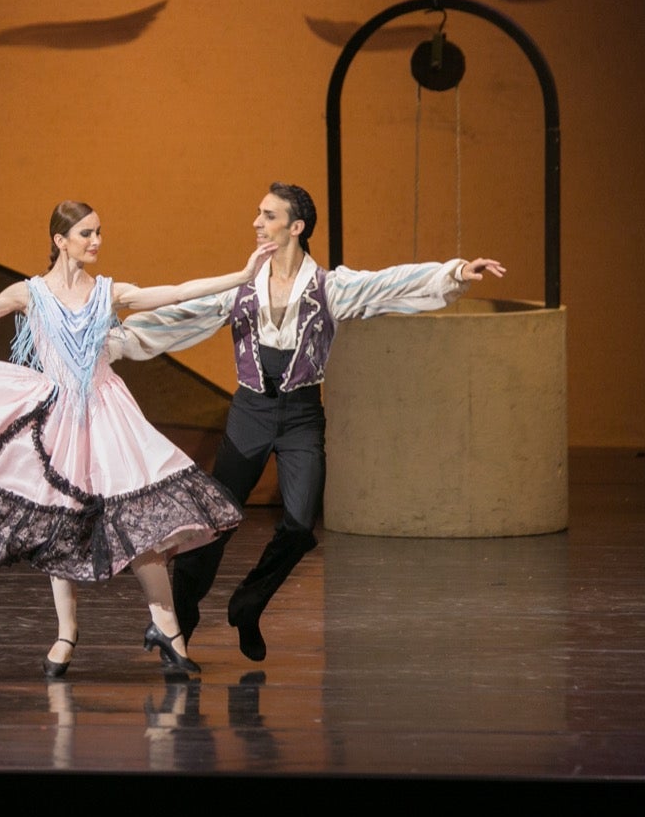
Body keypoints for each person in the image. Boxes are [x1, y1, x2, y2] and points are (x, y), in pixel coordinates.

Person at [0, 200, 277, 678]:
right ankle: (66, 634)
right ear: (60, 240)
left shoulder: (107, 293)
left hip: (108, 412)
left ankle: (167, 628)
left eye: (99, 233)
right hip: (56, 418)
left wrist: (241, 275)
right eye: (86, 234)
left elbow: (175, 292)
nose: (96, 241)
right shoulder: (30, 294)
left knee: (137, 520)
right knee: (60, 525)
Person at [115, 182, 505, 661]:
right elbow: (179, 316)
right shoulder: (240, 288)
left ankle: (247, 605)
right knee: (213, 523)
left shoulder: (329, 288)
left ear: (296, 227)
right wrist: (112, 341)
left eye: (269, 215)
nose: (257, 223)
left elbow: (388, 283)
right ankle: (182, 627)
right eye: (258, 214)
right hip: (250, 413)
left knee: (300, 525)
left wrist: (455, 273)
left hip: (301, 416)